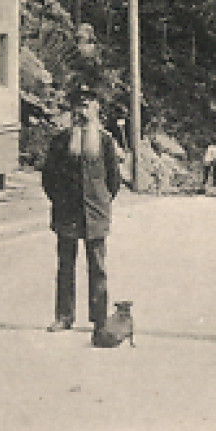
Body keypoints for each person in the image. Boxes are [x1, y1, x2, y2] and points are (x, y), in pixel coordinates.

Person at [41, 86, 122, 332]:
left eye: (87, 106)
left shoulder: (105, 142)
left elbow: (114, 180)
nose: (82, 112)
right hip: (67, 213)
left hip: (95, 214)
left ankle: (99, 318)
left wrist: (102, 202)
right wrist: (60, 201)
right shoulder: (61, 141)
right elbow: (48, 178)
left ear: (96, 109)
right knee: (65, 266)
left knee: (97, 267)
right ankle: (64, 316)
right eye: (78, 107)